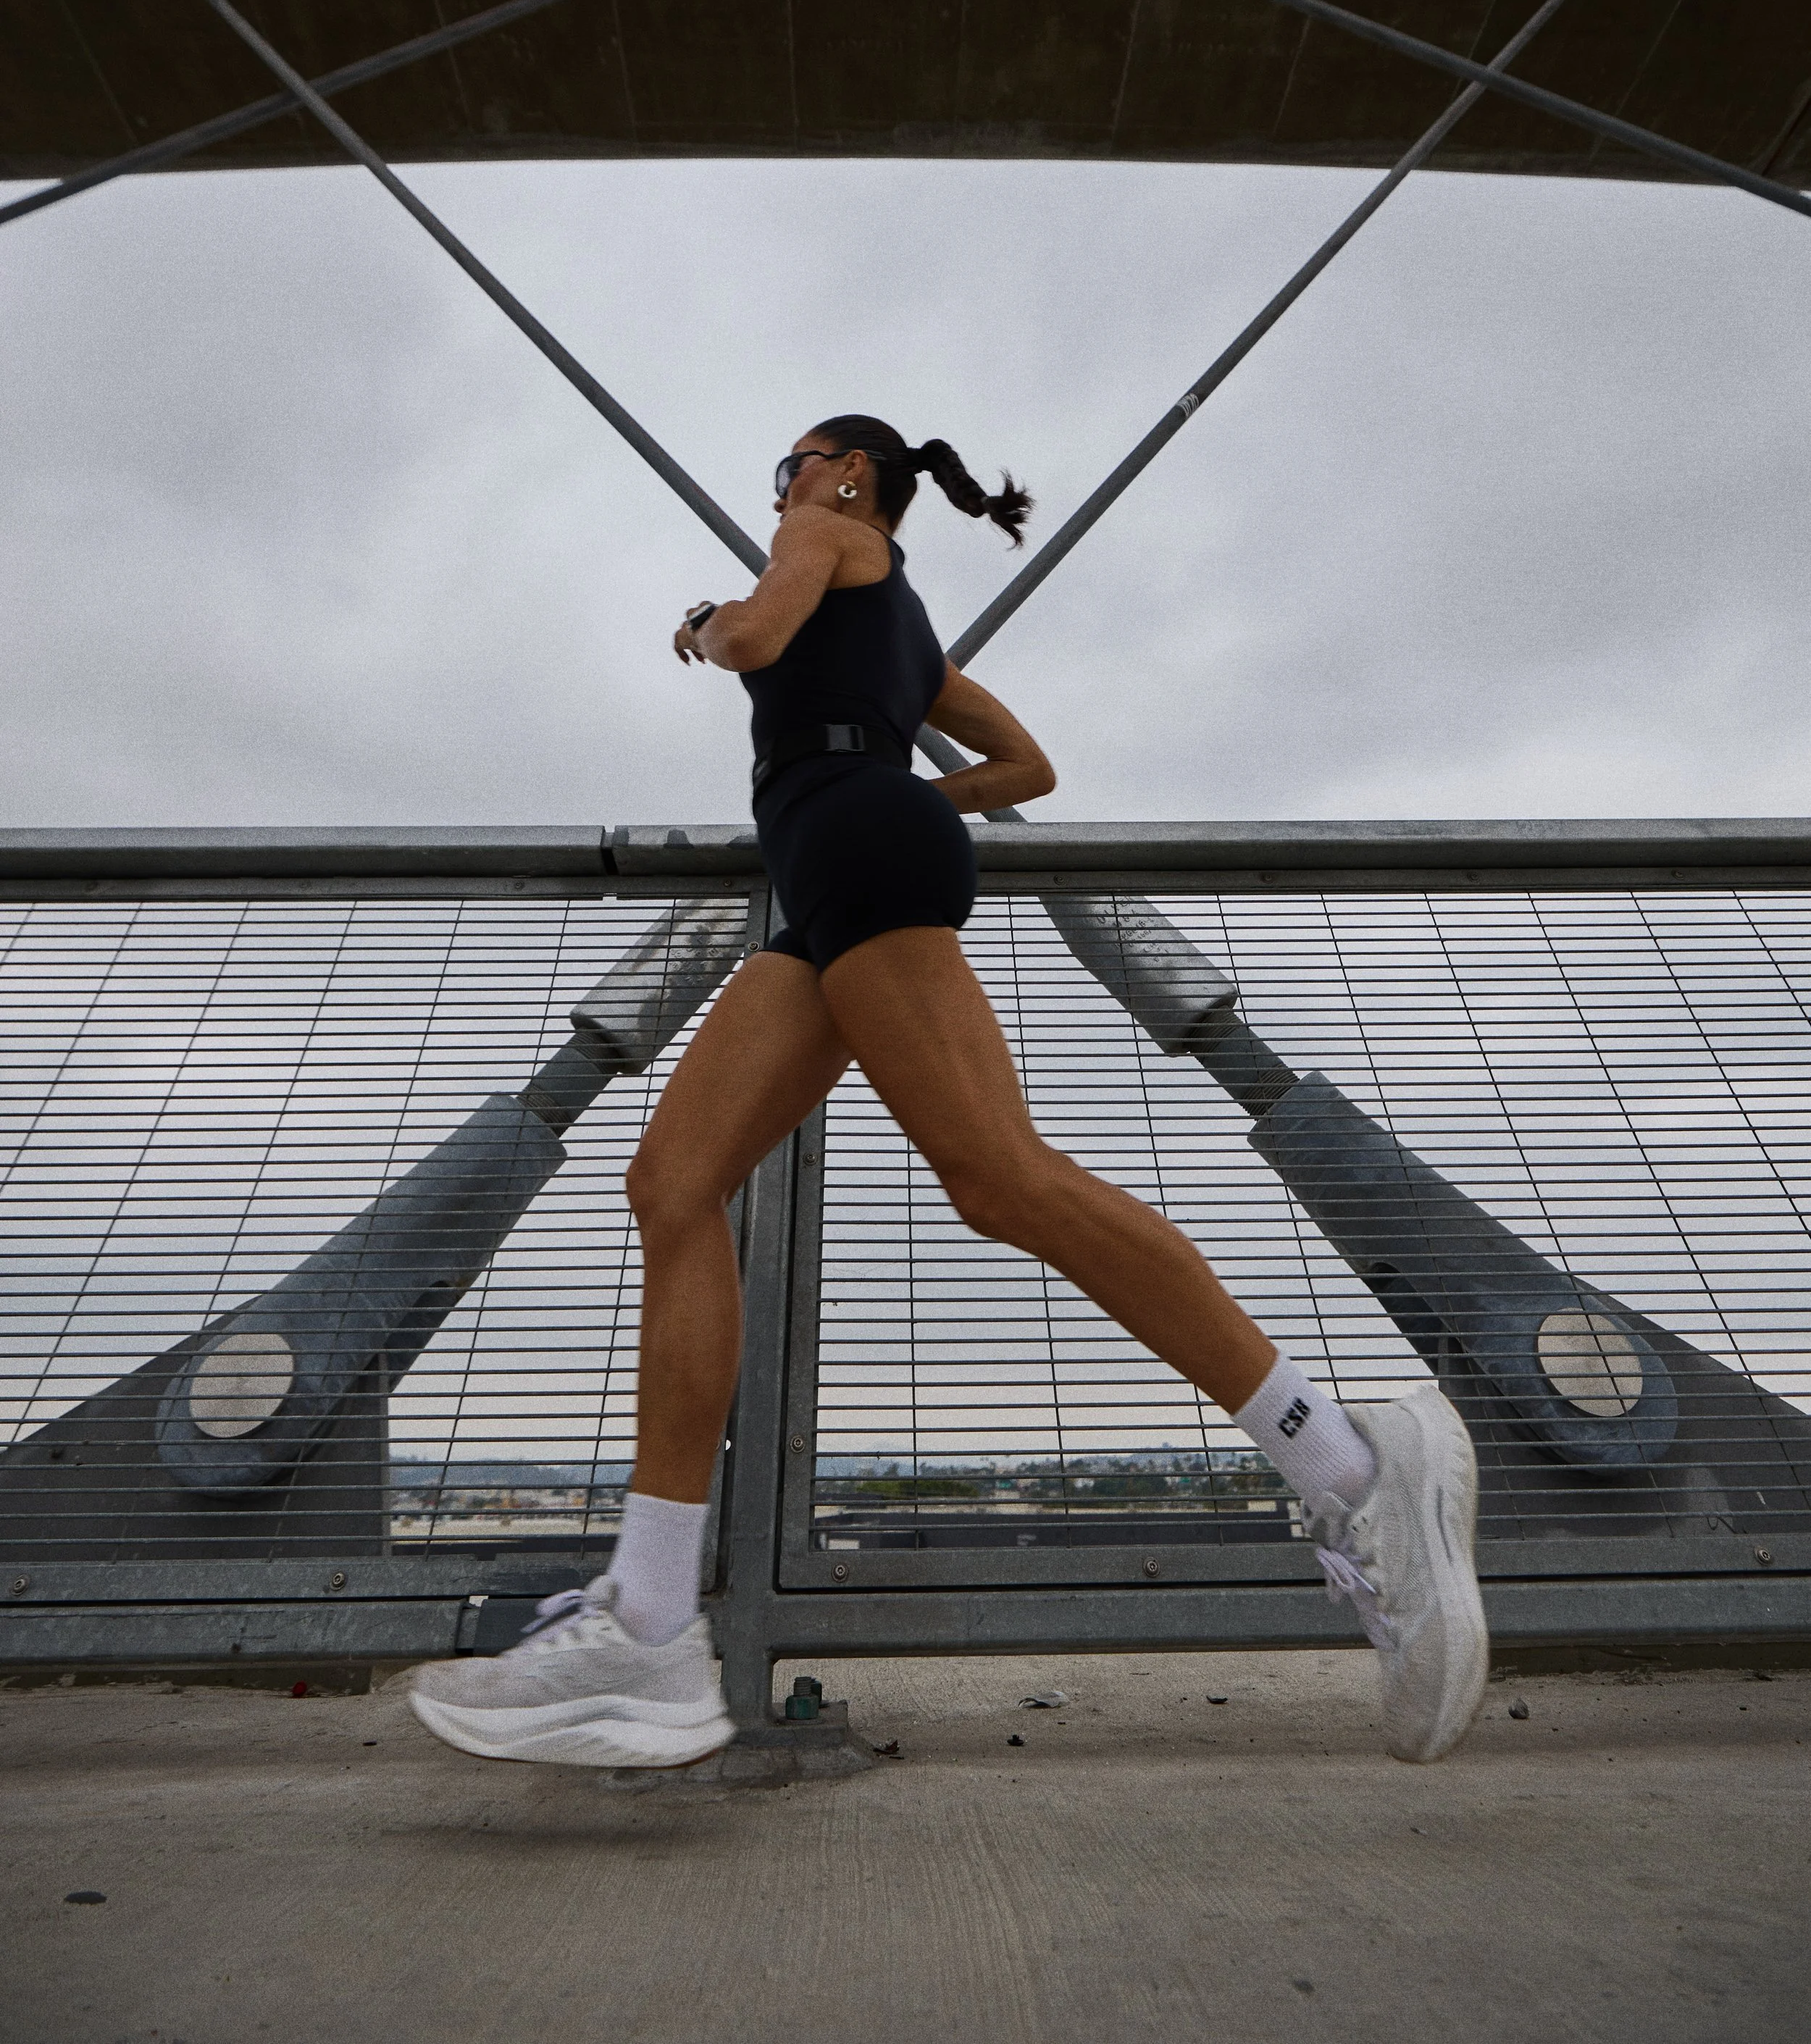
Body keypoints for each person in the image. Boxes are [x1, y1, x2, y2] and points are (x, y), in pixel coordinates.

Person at [411, 416, 1489, 1770]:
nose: (782, 488)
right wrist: (902, 769)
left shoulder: (828, 535)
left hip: (856, 854)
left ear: (852, 474)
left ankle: (1350, 1464)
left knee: (998, 1174)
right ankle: (648, 1614)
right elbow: (1031, 769)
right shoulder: (910, 634)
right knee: (674, 1181)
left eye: (793, 464)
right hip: (834, 877)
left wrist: (712, 623)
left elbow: (750, 641)